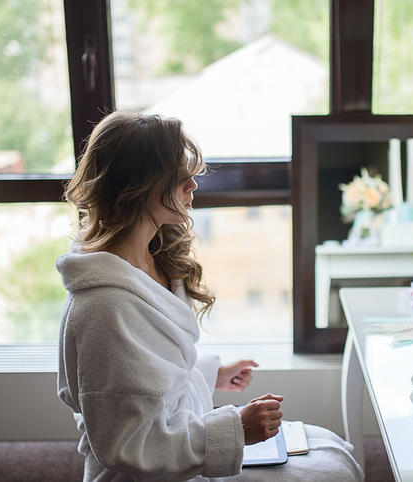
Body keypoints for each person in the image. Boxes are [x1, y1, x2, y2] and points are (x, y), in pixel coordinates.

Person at [56, 111, 363, 481]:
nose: (193, 186)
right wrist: (235, 429)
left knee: (331, 448)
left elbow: (151, 376)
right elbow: (127, 444)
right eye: (180, 177)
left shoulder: (155, 258)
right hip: (147, 472)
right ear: (140, 184)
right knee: (333, 473)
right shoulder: (102, 307)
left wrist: (210, 372)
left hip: (182, 445)